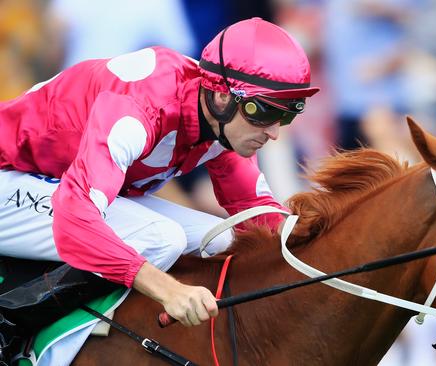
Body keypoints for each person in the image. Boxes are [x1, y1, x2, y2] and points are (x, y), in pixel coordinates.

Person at [0, 17, 318, 363]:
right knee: (161, 237)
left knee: (223, 240)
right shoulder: (141, 106)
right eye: (264, 112)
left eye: (285, 116)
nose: (273, 132)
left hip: (63, 184)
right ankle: (11, 322)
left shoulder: (220, 117)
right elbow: (75, 218)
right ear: (222, 95)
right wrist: (168, 290)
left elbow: (256, 214)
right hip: (12, 176)